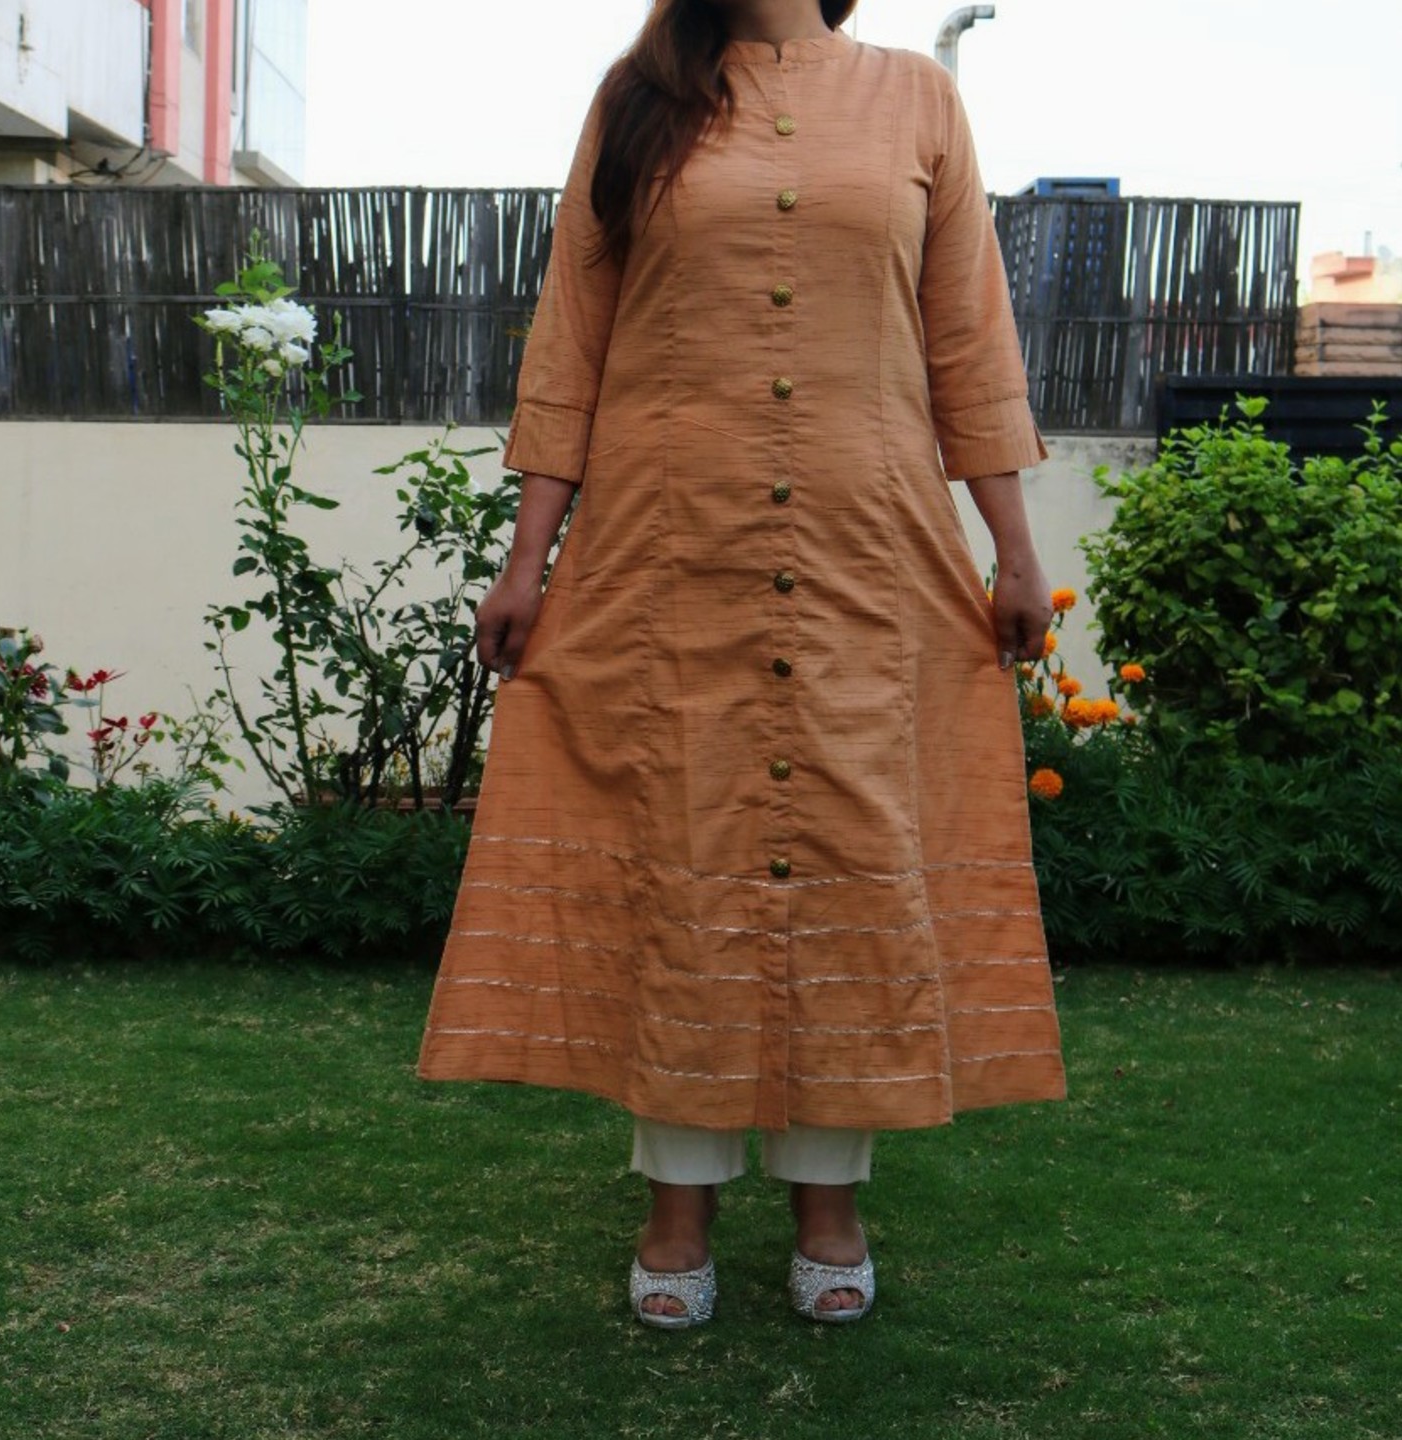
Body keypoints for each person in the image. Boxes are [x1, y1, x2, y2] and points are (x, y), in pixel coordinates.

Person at [416, 0, 1066, 1328]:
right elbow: (573, 342)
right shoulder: (638, 93)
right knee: (683, 863)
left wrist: (1012, 547)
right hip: (670, 554)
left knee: (855, 870)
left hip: (866, 557)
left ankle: (832, 1202)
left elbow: (968, 342)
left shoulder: (917, 101)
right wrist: (525, 561)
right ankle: (676, 1209)